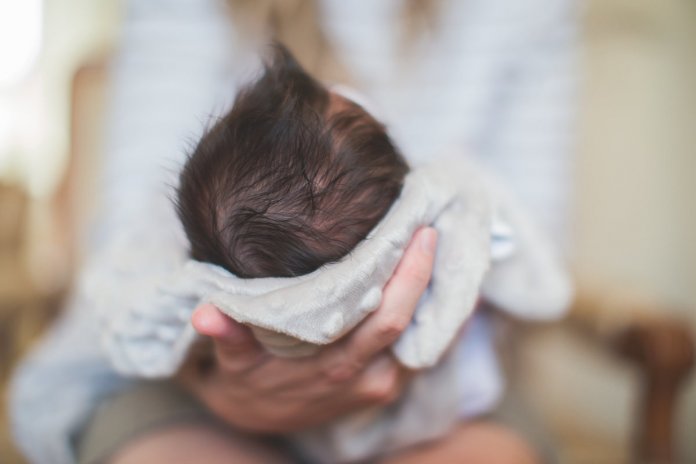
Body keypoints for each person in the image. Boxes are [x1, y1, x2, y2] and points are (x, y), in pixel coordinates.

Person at [10, 0, 577, 463]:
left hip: (418, 401)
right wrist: (212, 384)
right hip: (210, 391)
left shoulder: (522, 12)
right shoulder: (444, 199)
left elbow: (133, 294)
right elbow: (519, 261)